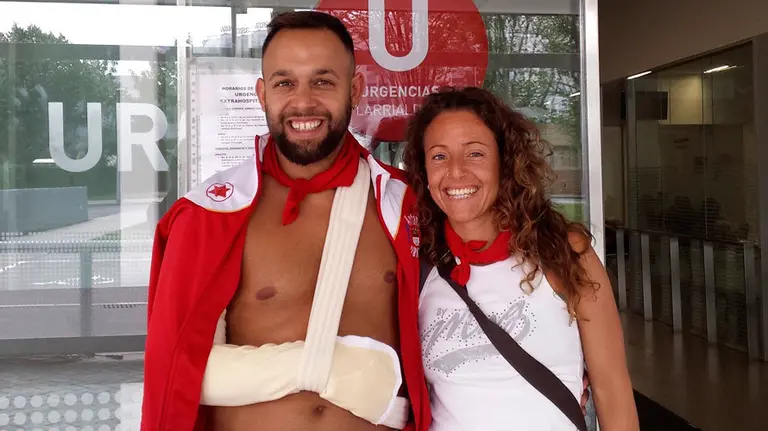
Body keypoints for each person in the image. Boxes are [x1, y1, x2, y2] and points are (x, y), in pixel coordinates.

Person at [141, 11, 430, 431]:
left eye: (323, 81)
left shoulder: (406, 206)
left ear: (355, 90)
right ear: (262, 94)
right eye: (284, 83)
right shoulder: (209, 217)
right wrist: (320, 367)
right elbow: (175, 370)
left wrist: (558, 241)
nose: (303, 101)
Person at [403, 87, 639, 430]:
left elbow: (612, 389)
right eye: (439, 156)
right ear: (423, 170)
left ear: (505, 162)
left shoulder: (562, 252)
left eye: (475, 154)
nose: (455, 172)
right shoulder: (419, 264)